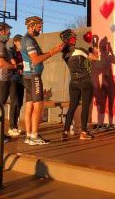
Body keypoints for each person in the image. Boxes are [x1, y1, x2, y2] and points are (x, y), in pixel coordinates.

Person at [21, 16, 63, 145]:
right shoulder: (29, 40)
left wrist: (51, 51)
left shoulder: (27, 39)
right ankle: (34, 135)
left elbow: (35, 57)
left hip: (28, 75)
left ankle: (29, 135)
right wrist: (52, 52)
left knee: (29, 105)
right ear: (32, 26)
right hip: (34, 75)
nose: (41, 30)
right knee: (38, 104)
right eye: (39, 27)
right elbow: (35, 59)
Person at [60, 29, 98, 141]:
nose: (76, 38)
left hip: (73, 82)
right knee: (85, 107)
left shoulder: (64, 54)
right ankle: (83, 132)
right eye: (74, 37)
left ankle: (65, 132)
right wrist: (94, 45)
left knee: (72, 107)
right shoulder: (79, 50)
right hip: (85, 81)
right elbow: (95, 58)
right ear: (70, 39)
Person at [7, 34, 24, 137]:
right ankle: (11, 127)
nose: (22, 43)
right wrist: (21, 64)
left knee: (20, 103)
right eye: (20, 42)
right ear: (15, 42)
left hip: (22, 79)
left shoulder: (24, 51)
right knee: (15, 102)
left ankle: (15, 126)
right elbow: (14, 64)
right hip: (13, 79)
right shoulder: (10, 51)